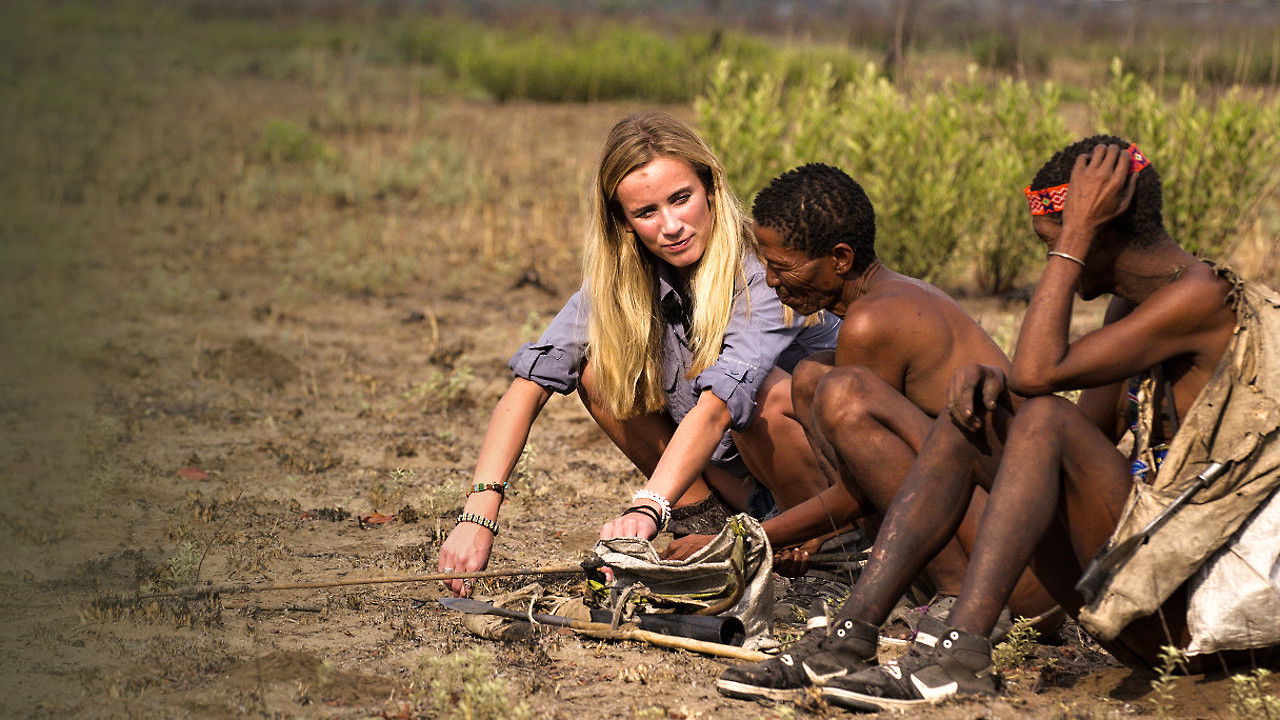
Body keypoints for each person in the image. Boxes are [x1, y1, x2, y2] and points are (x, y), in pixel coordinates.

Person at [727, 137, 1277, 712]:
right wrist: (992, 401)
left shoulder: (1202, 299)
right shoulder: (1134, 306)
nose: (1052, 257)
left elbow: (1040, 381)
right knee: (983, 407)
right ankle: (850, 638)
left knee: (1039, 414)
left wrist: (1072, 242)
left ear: (1096, 230)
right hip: (1137, 591)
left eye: (1055, 242)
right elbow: (1084, 447)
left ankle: (963, 650)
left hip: (1190, 616)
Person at [437, 111, 841, 596]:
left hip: (824, 487)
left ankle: (820, 557)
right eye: (647, 212)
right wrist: (478, 514)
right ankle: (708, 528)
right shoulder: (620, 280)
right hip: (738, 483)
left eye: (681, 199)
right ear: (623, 222)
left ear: (709, 187)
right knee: (597, 370)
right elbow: (529, 386)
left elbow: (717, 410)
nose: (671, 226)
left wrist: (646, 508)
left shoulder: (765, 268)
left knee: (764, 393)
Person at [694, 163, 1054, 702]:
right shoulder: (878, 304)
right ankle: (919, 586)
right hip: (995, 545)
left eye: (781, 267)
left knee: (835, 390)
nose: (770, 282)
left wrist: (745, 543)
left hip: (1019, 573)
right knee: (813, 377)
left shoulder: (873, 320)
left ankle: (954, 599)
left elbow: (861, 490)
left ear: (839, 259)